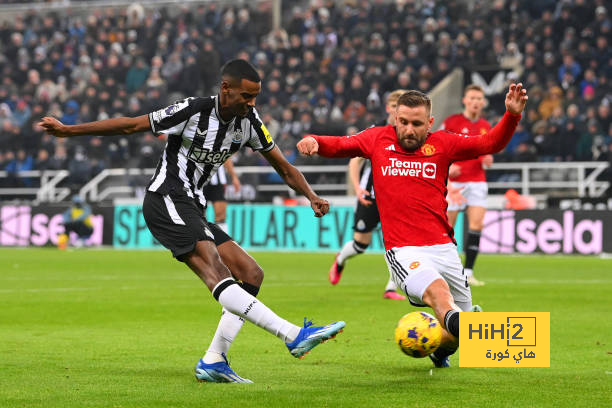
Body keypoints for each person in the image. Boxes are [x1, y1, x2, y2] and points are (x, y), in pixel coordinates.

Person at [39, 59, 345, 384]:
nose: (251, 103)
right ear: (226, 88)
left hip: (193, 207)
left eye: (255, 97)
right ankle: (292, 335)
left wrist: (310, 195)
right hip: (165, 198)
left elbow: (284, 167)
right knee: (216, 269)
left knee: (250, 273)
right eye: (246, 96)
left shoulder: (250, 123)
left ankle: (214, 360)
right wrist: (68, 131)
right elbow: (131, 125)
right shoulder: (192, 110)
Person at [297, 83, 527, 368]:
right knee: (439, 294)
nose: (408, 129)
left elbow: (490, 143)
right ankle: (477, 330)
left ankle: (440, 351)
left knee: (459, 333)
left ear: (429, 123)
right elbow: (343, 145)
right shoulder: (377, 139)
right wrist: (315, 141)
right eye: (403, 122)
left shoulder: (443, 143)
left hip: (445, 249)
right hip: (405, 251)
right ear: (395, 118)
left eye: (416, 124)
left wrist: (511, 116)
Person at [329, 89, 407, 300]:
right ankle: (340, 260)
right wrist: (357, 187)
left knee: (399, 244)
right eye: (394, 106)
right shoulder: (376, 131)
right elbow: (355, 160)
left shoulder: (408, 132)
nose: (397, 110)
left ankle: (391, 288)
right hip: (371, 194)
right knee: (360, 245)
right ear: (388, 108)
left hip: (396, 197)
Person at [440, 84, 492, 286]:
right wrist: (448, 167)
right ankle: (446, 271)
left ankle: (468, 272)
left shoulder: (485, 125)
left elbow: (486, 150)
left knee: (476, 225)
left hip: (477, 181)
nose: (476, 102)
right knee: (447, 228)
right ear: (465, 100)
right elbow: (438, 146)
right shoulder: (452, 122)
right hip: (455, 183)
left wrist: (487, 158)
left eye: (480, 99)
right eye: (473, 98)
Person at [203, 160, 241, 233]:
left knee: (220, 215)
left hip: (218, 182)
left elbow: (227, 158)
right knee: (200, 215)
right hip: (199, 181)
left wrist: (234, 177)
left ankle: (221, 242)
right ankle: (202, 241)